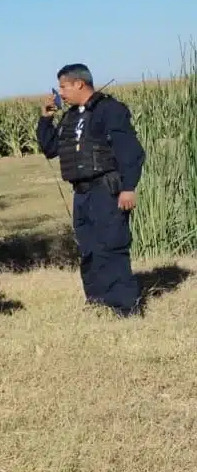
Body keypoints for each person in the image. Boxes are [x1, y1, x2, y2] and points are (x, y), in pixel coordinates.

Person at [36, 63, 144, 316]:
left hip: (106, 190)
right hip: (82, 194)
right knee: (89, 249)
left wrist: (128, 188)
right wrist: (46, 119)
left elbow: (130, 151)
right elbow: (51, 149)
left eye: (63, 87)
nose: (59, 93)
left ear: (79, 84)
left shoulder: (110, 110)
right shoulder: (71, 116)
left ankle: (124, 307)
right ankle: (97, 302)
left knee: (112, 246)